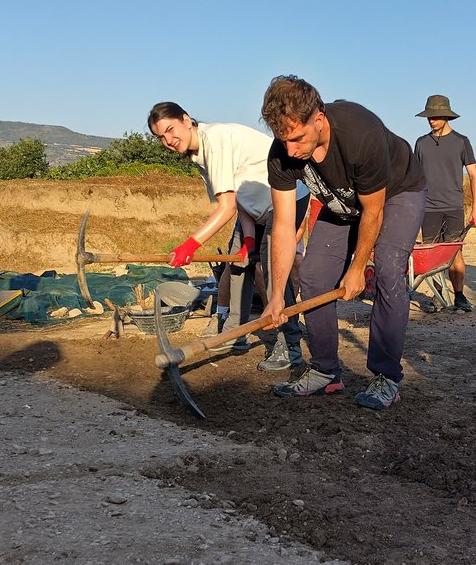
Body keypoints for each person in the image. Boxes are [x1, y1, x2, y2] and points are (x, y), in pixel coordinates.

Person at [260, 75, 426, 410]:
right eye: (283, 139)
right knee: (313, 276)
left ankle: (387, 377)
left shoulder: (360, 133)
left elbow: (373, 212)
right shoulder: (282, 153)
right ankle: (325, 371)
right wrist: (276, 295)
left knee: (388, 272)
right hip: (342, 202)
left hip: (396, 193)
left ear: (318, 119)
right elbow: (282, 226)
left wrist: (357, 267)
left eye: (297, 138)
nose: (290, 150)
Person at [147, 103, 309, 371]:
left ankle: (289, 344)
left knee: (273, 270)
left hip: (286, 200)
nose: (168, 140)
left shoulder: (215, 140)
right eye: (160, 137)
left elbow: (226, 207)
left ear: (186, 120)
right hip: (254, 209)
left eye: (170, 129)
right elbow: (239, 199)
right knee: (237, 264)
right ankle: (235, 334)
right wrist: (247, 240)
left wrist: (191, 244)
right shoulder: (198, 157)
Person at [413, 95, 476, 312]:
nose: (431, 121)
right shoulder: (421, 143)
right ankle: (438, 297)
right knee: (431, 254)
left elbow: (474, 174)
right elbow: (415, 177)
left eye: (435, 117)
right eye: (429, 117)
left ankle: (459, 296)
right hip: (428, 207)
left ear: (446, 116)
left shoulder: (462, 141)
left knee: (454, 254)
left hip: (453, 207)